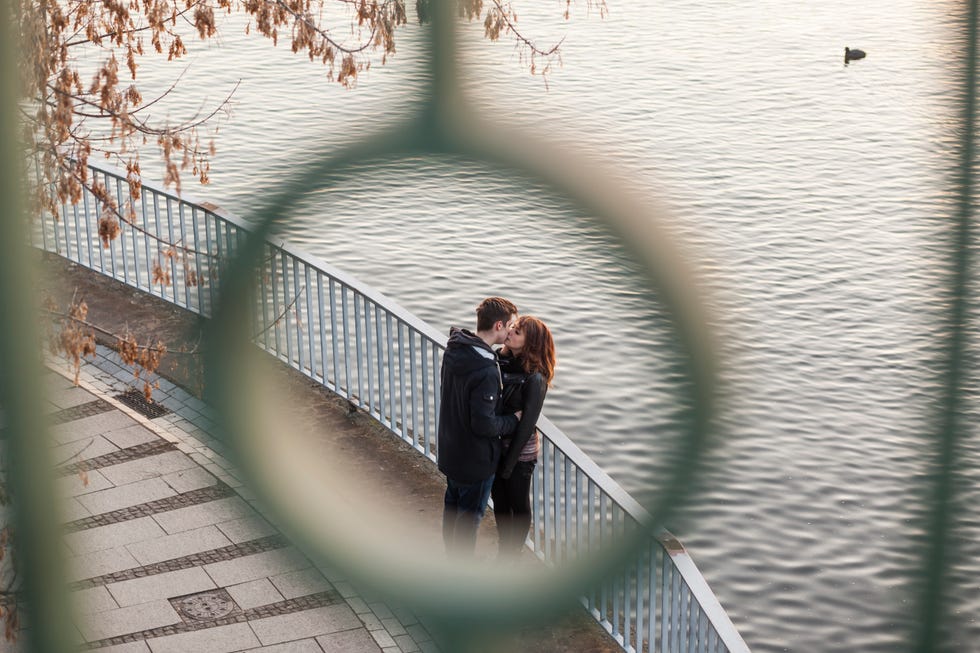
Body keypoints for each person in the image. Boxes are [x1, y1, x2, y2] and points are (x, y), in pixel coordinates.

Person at [438, 296, 521, 556]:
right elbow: (484, 424)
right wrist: (514, 420)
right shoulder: (484, 369)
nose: (510, 332)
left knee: (451, 510)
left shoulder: (456, 350)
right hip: (475, 460)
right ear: (499, 325)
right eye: (511, 326)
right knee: (468, 519)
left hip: (451, 449)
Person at [491, 315, 556, 559]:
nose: (510, 332)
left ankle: (511, 555)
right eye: (512, 328)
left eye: (517, 332)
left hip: (520, 450)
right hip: (497, 442)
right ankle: (503, 548)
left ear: (531, 343)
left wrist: (509, 464)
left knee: (517, 504)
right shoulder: (501, 359)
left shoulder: (535, 378)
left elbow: (527, 424)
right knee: (498, 499)